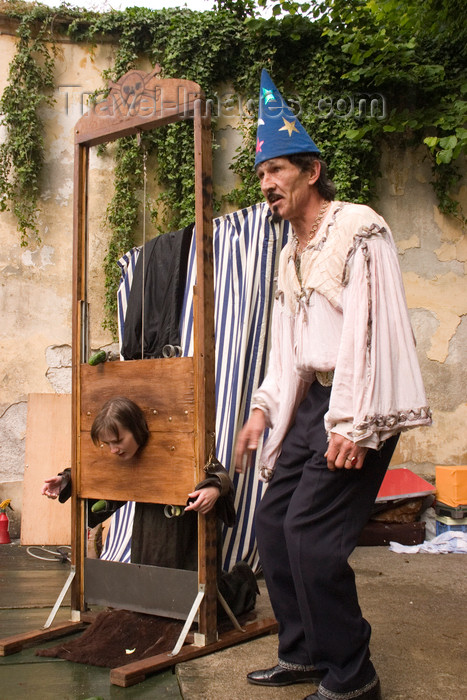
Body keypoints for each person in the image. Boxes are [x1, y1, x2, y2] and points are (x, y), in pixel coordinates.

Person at [234, 70, 431, 700]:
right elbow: (291, 346)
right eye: (261, 175)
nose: (265, 185)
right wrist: (266, 410)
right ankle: (305, 652)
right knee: (272, 523)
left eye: (276, 172)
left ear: (311, 171)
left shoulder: (358, 229)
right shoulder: (291, 251)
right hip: (314, 398)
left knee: (312, 543)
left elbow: (371, 333)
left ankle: (354, 675)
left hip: (357, 398)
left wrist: (350, 423)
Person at [42, 396, 258, 617]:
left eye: (118, 441)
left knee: (199, 606)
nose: (113, 450)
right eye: (107, 444)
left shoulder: (180, 446)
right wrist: (67, 479)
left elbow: (219, 474)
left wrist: (214, 489)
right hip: (149, 531)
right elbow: (100, 476)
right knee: (152, 598)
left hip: (185, 534)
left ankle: (242, 580)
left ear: (137, 429)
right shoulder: (123, 459)